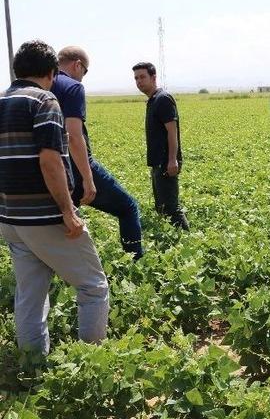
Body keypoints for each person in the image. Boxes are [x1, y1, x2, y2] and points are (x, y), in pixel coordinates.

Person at [0, 40, 109, 354]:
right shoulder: (44, 100)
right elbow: (50, 161)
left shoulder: (2, 100)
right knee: (93, 287)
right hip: (44, 216)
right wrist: (67, 211)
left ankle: (33, 363)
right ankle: (93, 361)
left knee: (30, 295)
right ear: (51, 73)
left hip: (11, 218)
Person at [51, 46, 144, 258]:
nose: (82, 77)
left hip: (50, 169)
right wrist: (88, 177)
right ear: (78, 65)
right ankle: (136, 263)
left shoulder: (42, 85)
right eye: (84, 72)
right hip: (74, 167)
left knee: (65, 221)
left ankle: (69, 267)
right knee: (128, 207)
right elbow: (74, 137)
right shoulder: (72, 86)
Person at [132, 62, 189, 230]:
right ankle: (171, 237)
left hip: (166, 162)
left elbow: (172, 131)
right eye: (136, 78)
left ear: (153, 77)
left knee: (171, 208)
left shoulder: (163, 99)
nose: (139, 81)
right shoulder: (153, 100)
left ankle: (186, 238)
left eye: (142, 77)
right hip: (158, 162)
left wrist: (172, 160)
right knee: (161, 206)